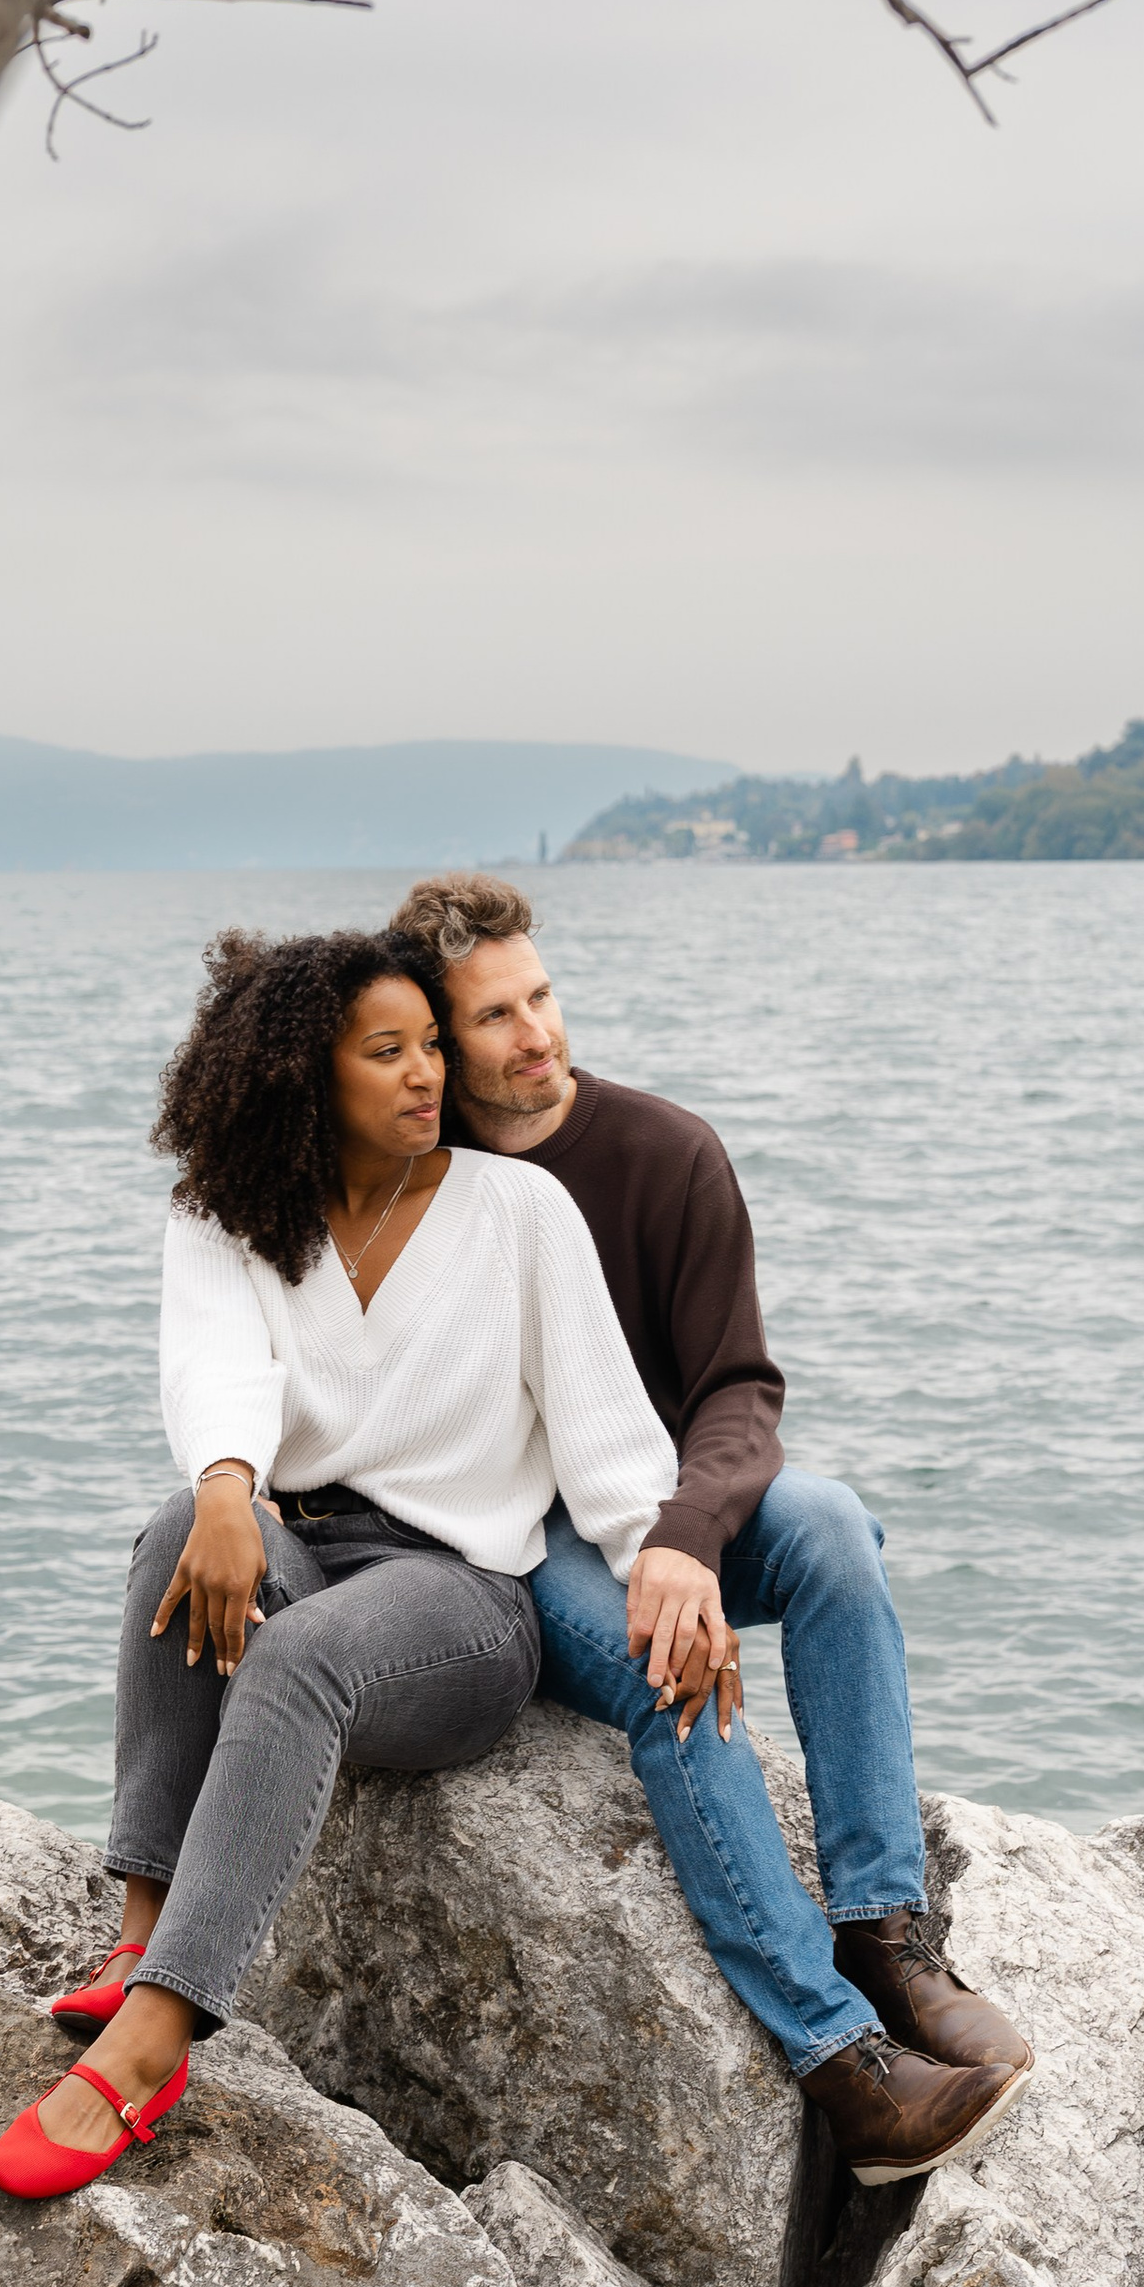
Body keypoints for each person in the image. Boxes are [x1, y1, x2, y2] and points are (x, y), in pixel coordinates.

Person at [0, 923, 693, 2196]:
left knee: (300, 1655)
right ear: (307, 1074)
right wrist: (221, 1485)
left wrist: (666, 1567)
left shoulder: (520, 1211)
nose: (427, 1073)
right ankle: (139, 1932)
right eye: (388, 1052)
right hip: (300, 1539)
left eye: (431, 1046)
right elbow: (218, 1367)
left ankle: (160, 2036)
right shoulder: (228, 1211)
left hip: (461, 1600)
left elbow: (606, 1432)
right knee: (173, 1537)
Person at [384, 868, 1035, 2179]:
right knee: (664, 1662)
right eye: (498, 1018)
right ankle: (842, 2065)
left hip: (679, 1504)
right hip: (526, 1539)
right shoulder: (421, 1190)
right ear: (443, 1051)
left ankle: (883, 1929)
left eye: (543, 996)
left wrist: (684, 1538)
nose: (540, 1034)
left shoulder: (662, 1154)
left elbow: (740, 1388)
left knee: (837, 1532)